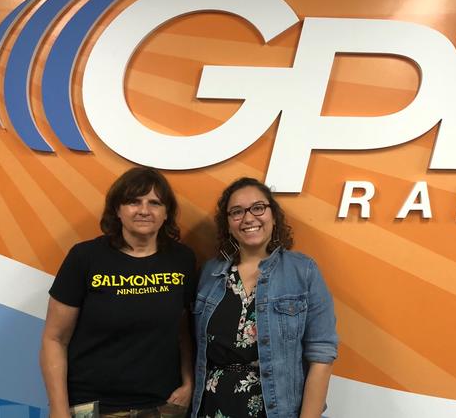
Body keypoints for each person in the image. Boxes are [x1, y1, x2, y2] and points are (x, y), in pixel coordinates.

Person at [40, 167, 196, 417]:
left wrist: (189, 383)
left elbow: (183, 331)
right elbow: (54, 339)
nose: (144, 210)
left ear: (166, 213)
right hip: (94, 407)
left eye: (154, 203)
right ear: (117, 210)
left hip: (162, 405)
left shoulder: (182, 260)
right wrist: (58, 409)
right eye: (134, 201)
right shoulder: (85, 258)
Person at [191, 177, 338, 418]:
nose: (248, 218)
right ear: (227, 224)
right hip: (212, 406)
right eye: (236, 212)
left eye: (258, 208)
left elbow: (322, 356)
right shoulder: (210, 273)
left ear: (273, 215)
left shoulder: (303, 271)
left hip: (275, 410)